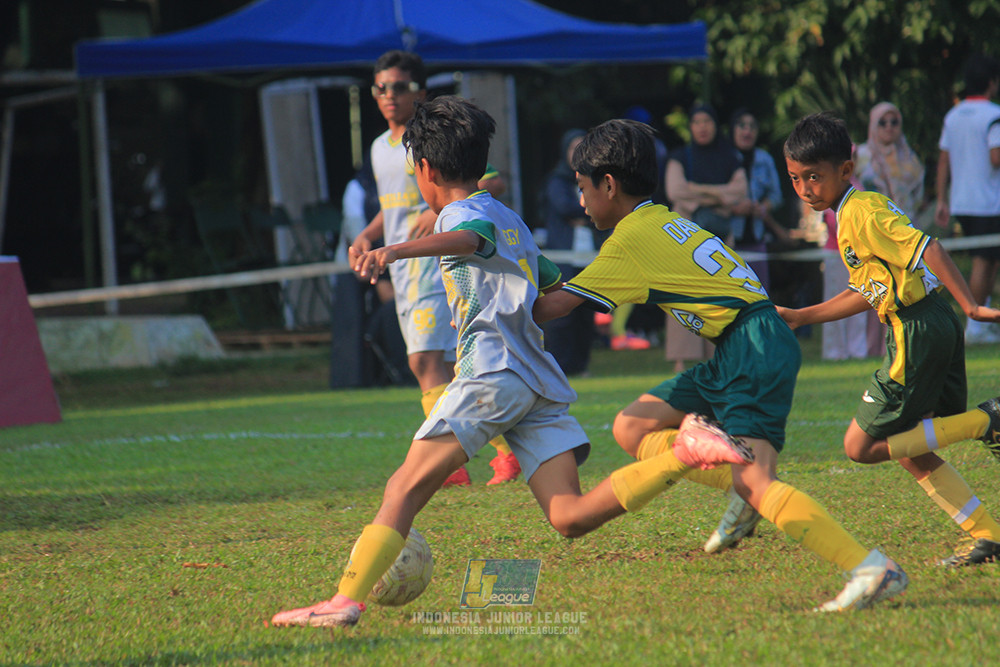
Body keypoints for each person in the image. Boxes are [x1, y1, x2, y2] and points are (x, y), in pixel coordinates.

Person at [270, 97, 753, 629]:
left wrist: (395, 252)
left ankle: (343, 602)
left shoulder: (464, 214)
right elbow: (547, 282)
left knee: (402, 488)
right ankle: (682, 453)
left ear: (425, 171)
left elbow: (470, 239)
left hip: (492, 373)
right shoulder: (510, 217)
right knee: (568, 515)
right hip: (535, 380)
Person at [533, 117, 908, 612]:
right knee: (632, 426)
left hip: (751, 344)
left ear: (608, 184)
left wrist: (510, 265)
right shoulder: (663, 219)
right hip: (742, 343)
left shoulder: (628, 239)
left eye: (584, 188)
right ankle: (739, 494)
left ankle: (869, 567)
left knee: (756, 481)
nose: (581, 201)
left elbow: (551, 307)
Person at [780, 111, 1000, 568]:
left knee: (858, 447)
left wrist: (972, 306)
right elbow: (869, 287)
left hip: (917, 328)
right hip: (929, 319)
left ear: (846, 169)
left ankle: (987, 422)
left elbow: (930, 247)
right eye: (796, 178)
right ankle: (988, 534)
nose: (804, 189)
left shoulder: (863, 210)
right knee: (912, 449)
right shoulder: (847, 215)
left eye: (814, 177)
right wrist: (804, 316)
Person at [348, 50, 518, 486]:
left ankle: (452, 466)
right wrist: (369, 234)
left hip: (431, 261)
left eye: (400, 87)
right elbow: (392, 208)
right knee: (444, 364)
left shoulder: (432, 140)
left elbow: (492, 181)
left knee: (424, 361)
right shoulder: (378, 148)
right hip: (400, 267)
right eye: (381, 88)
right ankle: (503, 452)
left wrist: (438, 210)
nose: (390, 96)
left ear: (420, 92)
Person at [664, 104, 746, 371]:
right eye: (697, 121)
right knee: (683, 298)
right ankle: (681, 362)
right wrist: (718, 196)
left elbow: (738, 193)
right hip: (684, 241)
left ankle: (720, 360)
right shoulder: (679, 156)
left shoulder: (730, 157)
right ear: (690, 126)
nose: (702, 127)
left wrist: (696, 190)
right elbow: (675, 190)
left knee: (720, 299)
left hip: (719, 240)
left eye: (707, 121)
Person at [935, 54, 1000, 344]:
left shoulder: (953, 116)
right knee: (983, 263)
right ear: (991, 83)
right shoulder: (993, 115)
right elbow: (996, 157)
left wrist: (941, 199)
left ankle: (981, 323)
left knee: (986, 260)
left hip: (962, 200)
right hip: (988, 201)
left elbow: (943, 161)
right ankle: (974, 325)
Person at [539, 129, 607, 373]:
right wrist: (588, 211)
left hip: (589, 257)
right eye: (573, 149)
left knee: (586, 314)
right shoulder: (556, 180)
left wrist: (587, 213)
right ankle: (560, 367)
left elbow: (606, 208)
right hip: (564, 258)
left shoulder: (597, 180)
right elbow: (565, 207)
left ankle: (581, 366)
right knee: (562, 316)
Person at [855, 102, 926, 221]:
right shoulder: (861, 155)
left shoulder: (909, 156)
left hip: (906, 224)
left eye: (894, 122)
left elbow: (918, 194)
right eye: (882, 122)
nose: (889, 127)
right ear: (873, 125)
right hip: (873, 223)